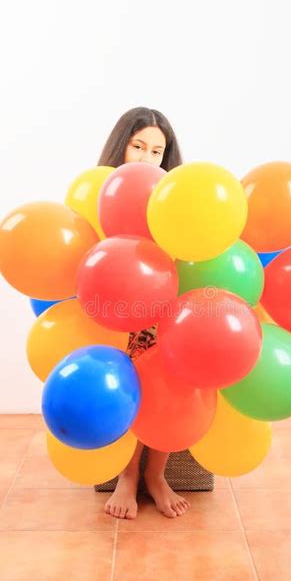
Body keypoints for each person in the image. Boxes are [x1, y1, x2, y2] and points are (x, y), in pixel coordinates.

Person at [97, 106, 191, 520]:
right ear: (122, 147)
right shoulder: (100, 191)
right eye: (138, 146)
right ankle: (129, 475)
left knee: (173, 369)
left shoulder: (175, 200)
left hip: (163, 305)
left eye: (157, 151)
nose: (146, 158)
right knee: (128, 371)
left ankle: (157, 473)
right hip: (112, 308)